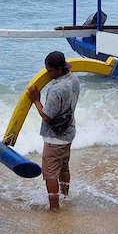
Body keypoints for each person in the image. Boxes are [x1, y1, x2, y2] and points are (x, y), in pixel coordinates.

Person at [27, 50, 79, 211]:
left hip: (54, 138)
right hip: (69, 133)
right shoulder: (74, 79)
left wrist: (36, 100)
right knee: (64, 167)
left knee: (50, 174)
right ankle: (65, 195)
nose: (48, 74)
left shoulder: (57, 89)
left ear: (58, 69)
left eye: (50, 71)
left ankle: (54, 207)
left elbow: (47, 116)